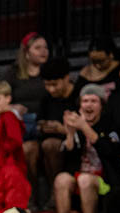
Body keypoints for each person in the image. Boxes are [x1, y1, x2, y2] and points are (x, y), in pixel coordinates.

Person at [51, 84, 120, 213]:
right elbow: (68, 156)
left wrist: (84, 127)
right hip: (79, 179)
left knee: (85, 179)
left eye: (93, 101)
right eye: (85, 101)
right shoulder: (76, 127)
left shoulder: (110, 124)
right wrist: (69, 132)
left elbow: (110, 151)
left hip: (104, 180)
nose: (88, 105)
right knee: (61, 179)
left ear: (101, 105)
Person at [0, 32, 49, 180]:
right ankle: (30, 193)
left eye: (45, 47)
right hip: (23, 124)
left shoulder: (50, 71)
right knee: (28, 149)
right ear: (26, 52)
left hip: (45, 121)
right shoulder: (13, 73)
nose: (43, 51)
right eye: (38, 47)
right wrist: (11, 108)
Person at [38, 58, 81, 187]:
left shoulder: (79, 96)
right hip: (48, 148)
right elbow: (40, 121)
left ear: (66, 78)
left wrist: (62, 129)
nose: (51, 89)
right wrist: (43, 126)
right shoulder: (46, 98)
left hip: (75, 143)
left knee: (51, 144)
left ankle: (57, 189)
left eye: (55, 84)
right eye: (47, 85)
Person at [0, 81, 25, 170]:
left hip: (11, 164)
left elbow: (15, 141)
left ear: (8, 98)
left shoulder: (9, 116)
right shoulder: (4, 116)